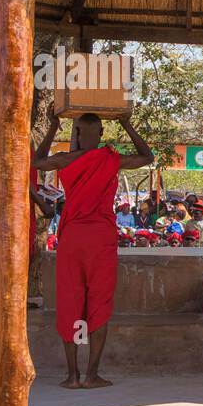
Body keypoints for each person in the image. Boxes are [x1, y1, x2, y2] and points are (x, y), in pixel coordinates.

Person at [32, 113, 154, 388]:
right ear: (100, 134)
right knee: (98, 303)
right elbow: (147, 157)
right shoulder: (110, 159)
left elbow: (37, 161)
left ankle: (72, 375)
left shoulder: (65, 159)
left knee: (72, 302)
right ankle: (92, 375)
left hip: (73, 237)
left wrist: (52, 127)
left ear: (75, 133)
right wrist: (125, 124)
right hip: (100, 238)